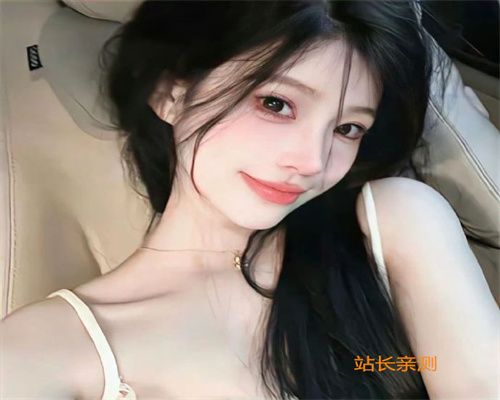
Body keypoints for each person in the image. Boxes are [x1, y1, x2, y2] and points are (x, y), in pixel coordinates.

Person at [2, 1, 498, 399]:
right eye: (275, 103)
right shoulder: (43, 351)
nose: (312, 160)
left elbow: (445, 373)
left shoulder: (391, 224)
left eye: (348, 128)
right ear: (171, 93)